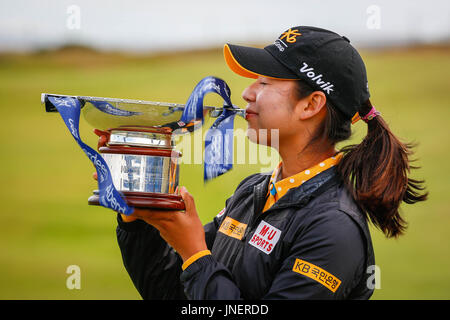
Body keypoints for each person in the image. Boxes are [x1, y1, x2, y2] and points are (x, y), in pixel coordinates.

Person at [111, 26, 428, 299]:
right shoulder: (254, 191)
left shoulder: (334, 228)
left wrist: (194, 253)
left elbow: (198, 267)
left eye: (265, 82)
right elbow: (171, 292)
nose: (247, 92)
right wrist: (139, 219)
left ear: (311, 104)